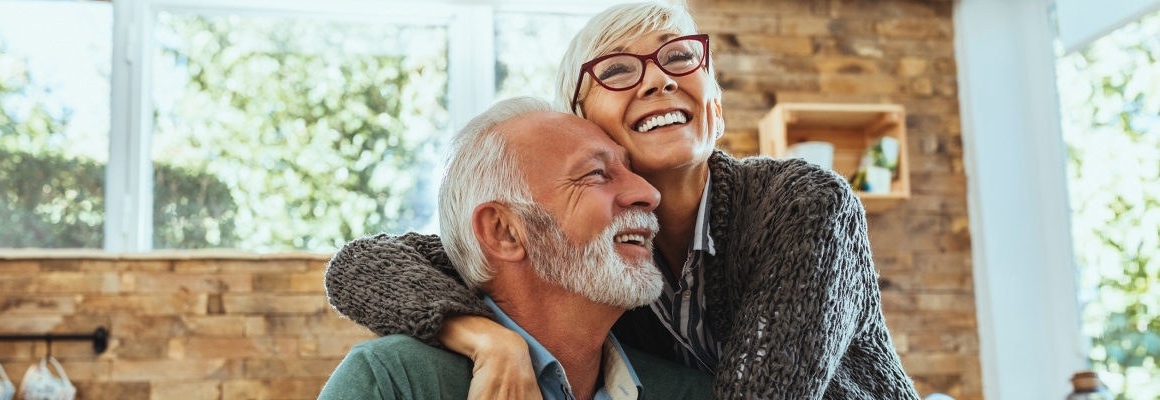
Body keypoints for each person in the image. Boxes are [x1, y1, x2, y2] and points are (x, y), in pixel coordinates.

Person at [326, 2, 920, 398]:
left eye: (680, 56)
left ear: (715, 102)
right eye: (616, 70)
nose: (659, 79)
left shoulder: (802, 204)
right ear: (584, 123)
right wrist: (486, 337)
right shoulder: (598, 255)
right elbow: (364, 266)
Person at [320, 97, 713, 399]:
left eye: (632, 171)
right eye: (596, 174)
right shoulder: (393, 381)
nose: (648, 192)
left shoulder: (690, 393)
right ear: (504, 232)